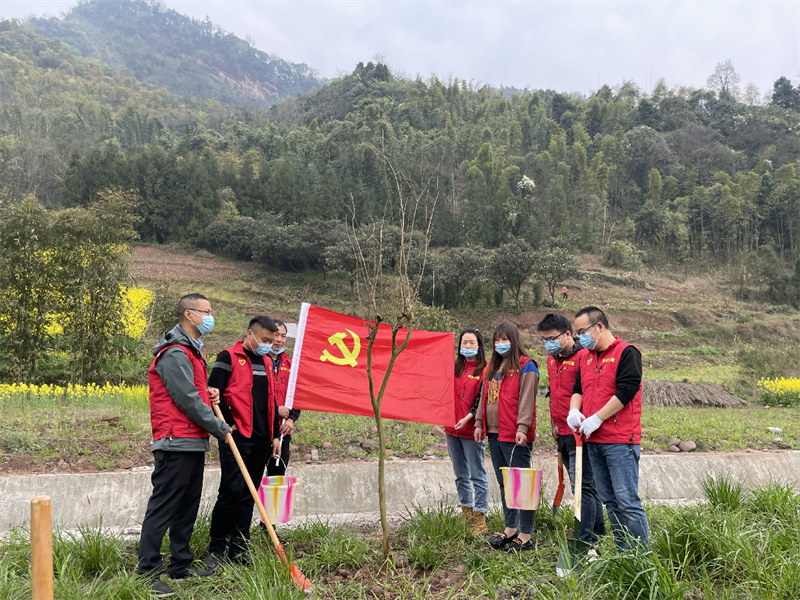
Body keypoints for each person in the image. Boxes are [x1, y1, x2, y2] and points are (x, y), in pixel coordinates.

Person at [137, 293, 231, 598]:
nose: (210, 316)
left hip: (192, 441)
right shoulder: (175, 352)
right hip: (175, 439)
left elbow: (194, 392)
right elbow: (186, 399)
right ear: (189, 314)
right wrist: (219, 427)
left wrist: (209, 393)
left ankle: (180, 565)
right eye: (206, 311)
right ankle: (147, 572)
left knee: (187, 506)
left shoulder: (193, 351)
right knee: (164, 507)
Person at [568, 306, 649, 550]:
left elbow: (627, 390)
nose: (580, 337)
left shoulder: (627, 353)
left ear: (599, 327)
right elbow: (578, 388)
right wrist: (574, 410)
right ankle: (624, 552)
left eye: (583, 332)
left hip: (620, 441)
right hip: (594, 440)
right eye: (577, 333)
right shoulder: (585, 357)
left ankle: (640, 556)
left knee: (627, 501)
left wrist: (597, 418)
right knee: (610, 501)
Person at [206, 316, 282, 569]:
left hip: (261, 438)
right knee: (231, 490)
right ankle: (217, 547)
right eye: (264, 339)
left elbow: (271, 400)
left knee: (249, 494)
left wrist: (274, 434)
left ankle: (239, 547)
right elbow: (212, 394)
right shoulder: (228, 357)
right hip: (237, 436)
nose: (268, 344)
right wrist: (228, 424)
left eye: (271, 340)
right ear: (250, 334)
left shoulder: (267, 361)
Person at [536, 313, 605, 546]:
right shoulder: (551, 360)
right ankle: (598, 535)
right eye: (544, 340)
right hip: (562, 433)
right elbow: (553, 394)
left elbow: (590, 393)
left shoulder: (584, 357)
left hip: (580, 433)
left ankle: (585, 540)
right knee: (584, 488)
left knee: (583, 488)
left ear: (567, 334)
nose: (548, 344)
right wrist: (554, 424)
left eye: (552, 338)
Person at [474, 322, 539, 552]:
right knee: (505, 483)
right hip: (494, 432)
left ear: (514, 340)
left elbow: (527, 400)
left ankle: (526, 534)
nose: (500, 344)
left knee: (522, 484)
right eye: (497, 340)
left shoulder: (526, 365)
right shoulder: (492, 367)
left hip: (515, 433)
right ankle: (510, 528)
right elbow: (484, 397)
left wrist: (522, 427)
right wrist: (479, 422)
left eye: (505, 339)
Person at [446, 329, 490, 535]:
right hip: (451, 429)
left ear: (479, 345)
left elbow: (481, 398)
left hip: (472, 430)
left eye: (472, 343)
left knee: (477, 474)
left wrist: (469, 418)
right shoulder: (454, 367)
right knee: (460, 474)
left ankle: (480, 516)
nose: (468, 346)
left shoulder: (485, 370)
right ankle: (467, 511)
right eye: (464, 342)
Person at [266, 319, 300, 477]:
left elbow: (297, 395)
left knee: (277, 477)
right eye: (275, 335)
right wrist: (275, 410)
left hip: (282, 431)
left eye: (283, 336)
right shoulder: (257, 362)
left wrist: (291, 418)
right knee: (251, 478)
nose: (279, 339)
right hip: (261, 429)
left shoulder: (291, 365)